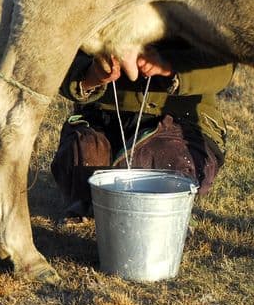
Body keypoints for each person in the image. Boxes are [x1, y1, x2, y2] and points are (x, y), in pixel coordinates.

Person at [51, 39, 235, 223]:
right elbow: (61, 54)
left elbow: (223, 63)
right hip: (101, 117)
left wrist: (169, 66)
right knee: (84, 152)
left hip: (180, 122)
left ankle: (164, 204)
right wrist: (92, 75)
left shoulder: (201, 20)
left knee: (158, 165)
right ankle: (88, 200)